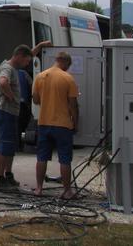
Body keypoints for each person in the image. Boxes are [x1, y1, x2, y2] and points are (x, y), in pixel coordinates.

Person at [0, 41, 52, 189]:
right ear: (19, 56)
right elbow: (3, 82)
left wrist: (41, 45)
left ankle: (8, 175)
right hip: (5, 112)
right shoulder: (8, 68)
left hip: (11, 113)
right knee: (5, 146)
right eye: (26, 60)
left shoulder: (15, 64)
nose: (27, 64)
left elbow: (29, 53)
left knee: (11, 146)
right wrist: (11, 96)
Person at [32, 51, 79, 199]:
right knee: (65, 158)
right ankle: (67, 191)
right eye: (68, 66)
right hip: (63, 125)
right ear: (65, 62)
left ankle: (39, 189)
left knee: (41, 157)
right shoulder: (68, 79)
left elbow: (35, 100)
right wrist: (75, 123)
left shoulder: (40, 77)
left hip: (44, 123)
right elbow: (73, 105)